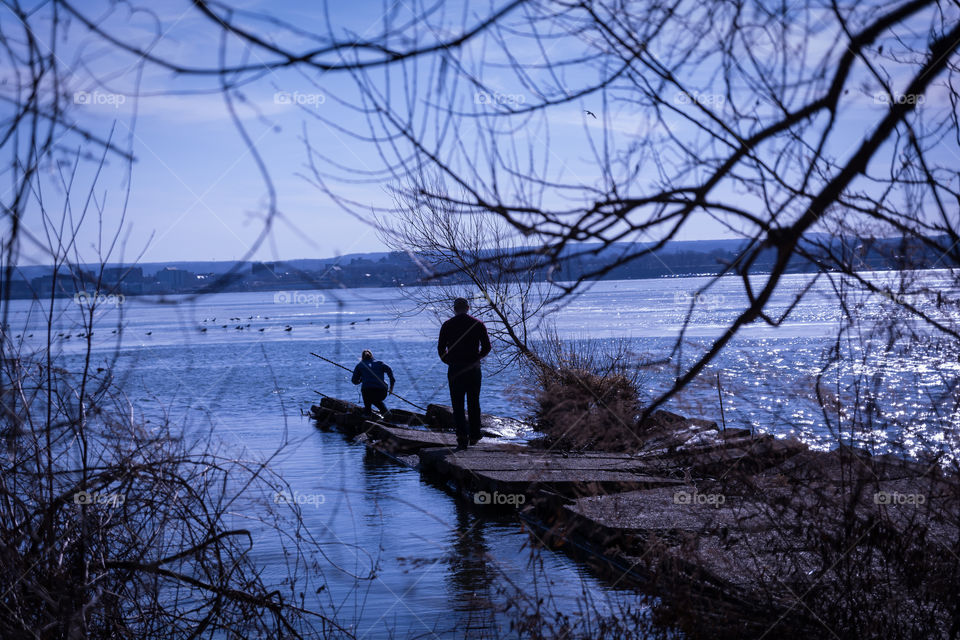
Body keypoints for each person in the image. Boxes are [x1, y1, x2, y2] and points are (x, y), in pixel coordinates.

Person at [438, 297, 491, 450]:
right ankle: (474, 435)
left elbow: (441, 349)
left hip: (455, 368)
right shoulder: (478, 324)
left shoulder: (447, 325)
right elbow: (487, 347)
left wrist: (449, 361)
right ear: (468, 308)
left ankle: (462, 437)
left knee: (457, 404)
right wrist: (477, 358)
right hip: (473, 368)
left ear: (454, 309)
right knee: (474, 402)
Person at [351, 350, 395, 416]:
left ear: (362, 357)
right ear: (372, 356)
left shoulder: (360, 365)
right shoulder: (380, 363)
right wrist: (391, 388)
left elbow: (354, 381)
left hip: (367, 391)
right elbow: (391, 375)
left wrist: (360, 380)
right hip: (382, 391)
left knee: (369, 398)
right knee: (375, 400)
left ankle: (368, 413)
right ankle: (385, 414)